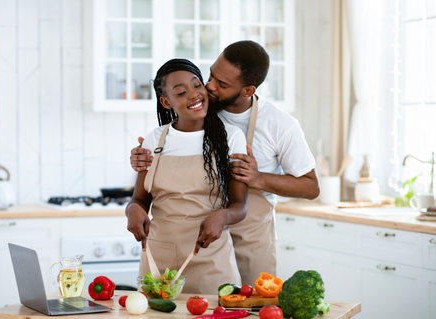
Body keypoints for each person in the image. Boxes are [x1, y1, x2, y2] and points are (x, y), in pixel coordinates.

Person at [130, 41, 319, 285]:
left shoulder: (279, 125)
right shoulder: (201, 109)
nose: (209, 87)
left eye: (222, 84)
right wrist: (141, 159)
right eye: (210, 75)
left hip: (250, 241)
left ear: (247, 91)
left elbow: (311, 187)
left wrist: (257, 178)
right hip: (202, 242)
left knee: (252, 307)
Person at [125, 58, 248, 294]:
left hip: (211, 259)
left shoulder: (230, 138)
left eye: (197, 85)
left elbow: (240, 205)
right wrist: (132, 210)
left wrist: (222, 216)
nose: (194, 95)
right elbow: (139, 199)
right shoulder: (155, 139)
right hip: (159, 262)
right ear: (166, 102)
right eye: (181, 92)